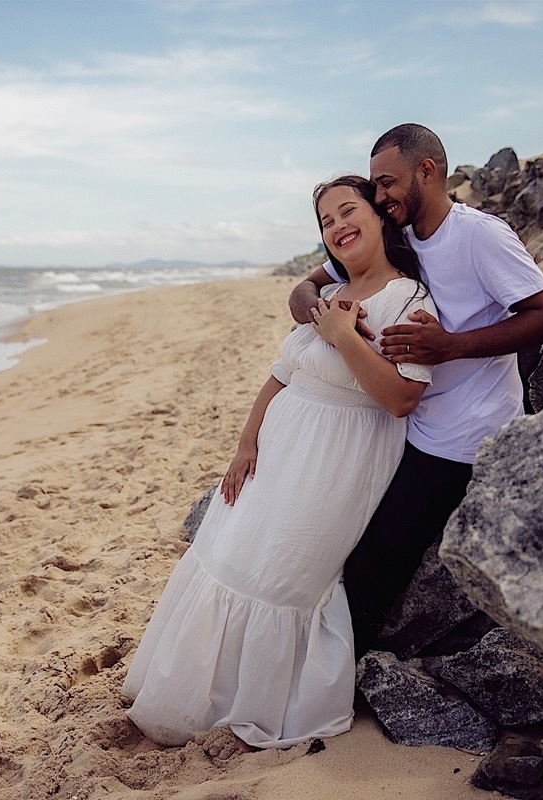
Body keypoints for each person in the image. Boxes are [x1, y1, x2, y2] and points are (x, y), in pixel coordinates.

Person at [121, 176, 438, 750]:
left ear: (380, 218)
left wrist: (344, 335)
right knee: (227, 556)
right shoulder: (326, 296)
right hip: (276, 452)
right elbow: (281, 374)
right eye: (325, 221)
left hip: (337, 463)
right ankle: (188, 696)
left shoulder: (409, 300)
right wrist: (246, 445)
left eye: (349, 211)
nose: (338, 226)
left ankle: (254, 705)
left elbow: (399, 399)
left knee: (283, 575)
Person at [289, 124, 543, 657]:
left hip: (461, 439)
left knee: (371, 566)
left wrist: (450, 346)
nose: (379, 197)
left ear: (428, 171)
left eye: (387, 182)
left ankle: (335, 683)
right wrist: (324, 317)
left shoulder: (480, 235)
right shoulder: (400, 235)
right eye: (374, 186)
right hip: (403, 422)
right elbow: (305, 286)